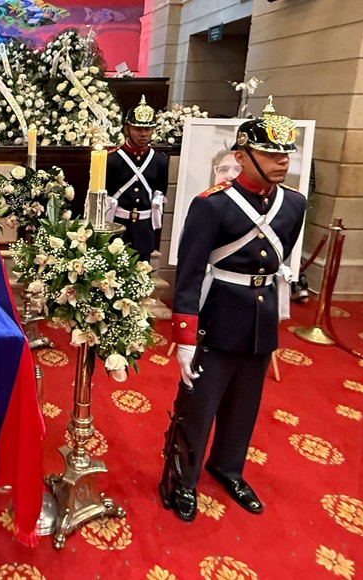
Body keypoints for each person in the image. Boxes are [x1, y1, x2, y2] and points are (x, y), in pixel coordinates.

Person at [165, 98, 306, 522]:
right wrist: (185, 339)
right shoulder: (212, 204)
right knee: (200, 405)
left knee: (246, 404)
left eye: (286, 153)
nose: (282, 161)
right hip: (218, 316)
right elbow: (190, 273)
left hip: (260, 320)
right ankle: (183, 478)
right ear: (242, 156)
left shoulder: (294, 204)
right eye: (270, 153)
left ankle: (228, 467)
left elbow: (278, 260)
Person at [105, 95, 169, 262]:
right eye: (138, 129)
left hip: (144, 230)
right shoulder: (112, 160)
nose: (143, 134)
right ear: (127, 129)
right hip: (118, 228)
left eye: (148, 129)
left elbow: (160, 192)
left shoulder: (160, 161)